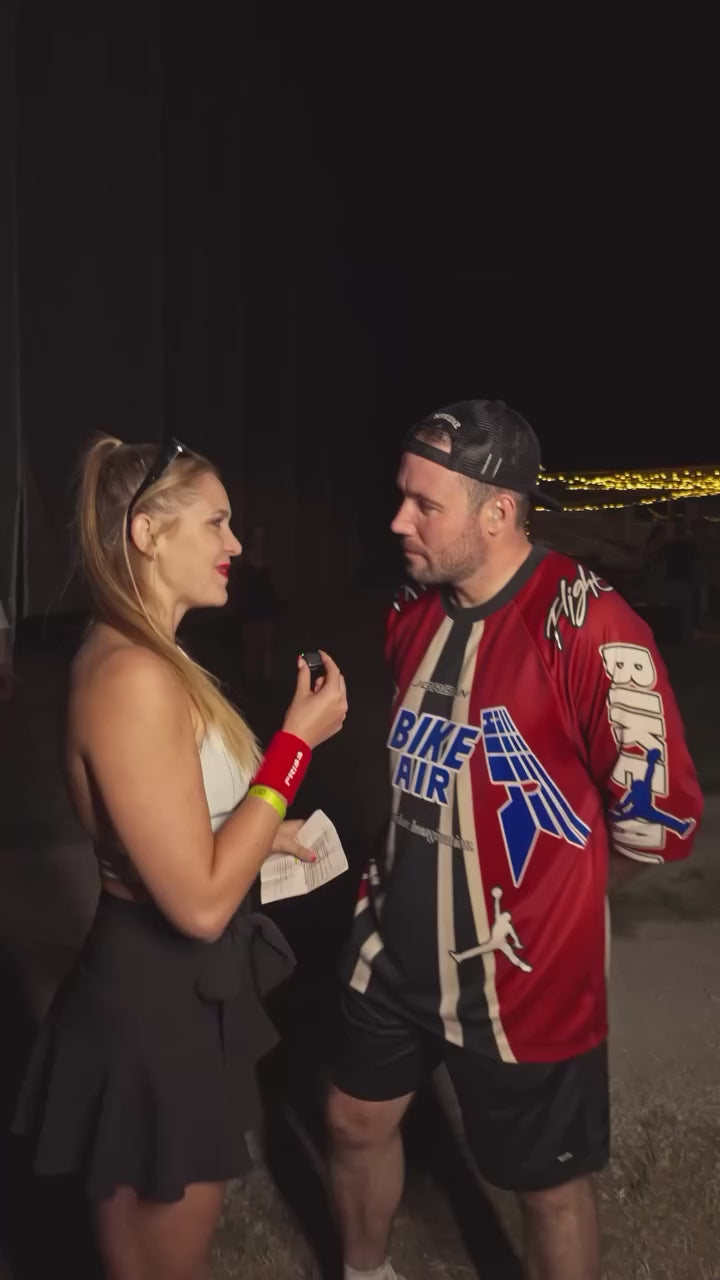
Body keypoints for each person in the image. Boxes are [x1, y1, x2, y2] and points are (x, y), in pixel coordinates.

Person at [327, 400, 703, 1280]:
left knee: (548, 1188)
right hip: (389, 944)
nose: (398, 521)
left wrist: (558, 902)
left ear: (498, 511)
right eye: (401, 496)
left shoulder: (592, 626)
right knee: (351, 1120)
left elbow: (655, 821)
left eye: (425, 504)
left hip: (522, 972)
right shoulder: (410, 608)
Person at [12, 435, 347, 1280]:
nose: (235, 544)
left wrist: (265, 833)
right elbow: (197, 903)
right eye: (215, 522)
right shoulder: (133, 676)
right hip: (158, 998)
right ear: (148, 534)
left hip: (159, 988)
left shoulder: (150, 658)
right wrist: (293, 750)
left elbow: (177, 830)